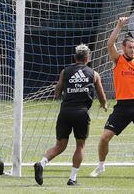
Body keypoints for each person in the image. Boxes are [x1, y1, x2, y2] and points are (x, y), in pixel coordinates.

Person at [90, 12, 134, 178]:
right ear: (123, 48)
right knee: (104, 137)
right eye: (130, 47)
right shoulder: (118, 60)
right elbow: (109, 45)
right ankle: (100, 166)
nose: (133, 49)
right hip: (122, 106)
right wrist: (119, 26)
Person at [34, 44, 108, 186]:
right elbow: (101, 94)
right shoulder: (93, 74)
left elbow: (57, 91)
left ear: (75, 57)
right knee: (80, 146)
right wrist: (104, 105)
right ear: (88, 58)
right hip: (81, 113)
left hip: (65, 112)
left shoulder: (65, 71)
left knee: (60, 145)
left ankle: (42, 163)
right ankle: (72, 178)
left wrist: (62, 93)